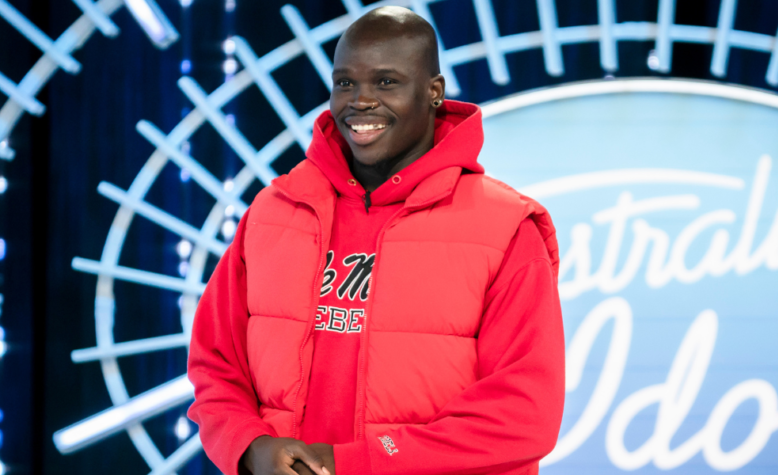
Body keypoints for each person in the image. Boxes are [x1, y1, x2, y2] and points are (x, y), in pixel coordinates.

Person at [187, 6, 564, 475]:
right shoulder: (273, 213)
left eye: (386, 82)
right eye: (345, 83)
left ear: (434, 92)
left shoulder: (505, 227)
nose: (360, 100)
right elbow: (215, 365)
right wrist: (249, 446)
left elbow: (524, 414)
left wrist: (358, 462)